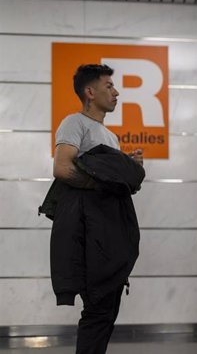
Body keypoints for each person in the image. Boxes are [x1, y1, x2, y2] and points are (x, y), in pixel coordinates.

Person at [48, 64, 144, 354]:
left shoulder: (109, 135)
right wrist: (103, 184)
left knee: (106, 312)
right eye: (109, 86)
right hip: (92, 235)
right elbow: (62, 168)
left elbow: (112, 179)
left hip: (110, 230)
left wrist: (127, 166)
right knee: (98, 310)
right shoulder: (74, 122)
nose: (116, 92)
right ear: (90, 92)